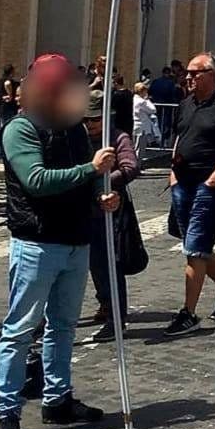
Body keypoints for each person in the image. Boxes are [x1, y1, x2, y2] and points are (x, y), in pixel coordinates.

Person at [0, 55, 118, 429]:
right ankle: (7, 412)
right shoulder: (21, 128)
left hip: (75, 240)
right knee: (20, 330)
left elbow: (85, 174)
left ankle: (57, 398)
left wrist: (102, 195)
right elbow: (36, 180)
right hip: (37, 242)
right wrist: (91, 171)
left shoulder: (73, 128)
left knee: (62, 327)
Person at [165, 52, 215, 337]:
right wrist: (173, 173)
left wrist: (213, 181)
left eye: (194, 73)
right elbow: (180, 136)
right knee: (196, 245)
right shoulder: (186, 104)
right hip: (182, 182)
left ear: (211, 75)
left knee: (195, 249)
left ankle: (188, 313)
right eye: (187, 73)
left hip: (209, 185)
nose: (187, 77)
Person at [84, 91, 140, 342]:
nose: (89, 125)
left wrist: (103, 179)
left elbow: (131, 167)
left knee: (110, 263)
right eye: (85, 119)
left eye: (94, 120)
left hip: (111, 210)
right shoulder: (77, 137)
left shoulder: (118, 138)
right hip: (83, 208)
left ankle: (117, 316)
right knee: (92, 263)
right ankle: (105, 303)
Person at [131, 82, 157, 167]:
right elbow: (153, 109)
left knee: (135, 147)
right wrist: (147, 99)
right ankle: (137, 167)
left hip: (136, 125)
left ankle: (135, 166)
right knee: (140, 149)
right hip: (142, 127)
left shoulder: (134, 99)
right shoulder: (142, 101)